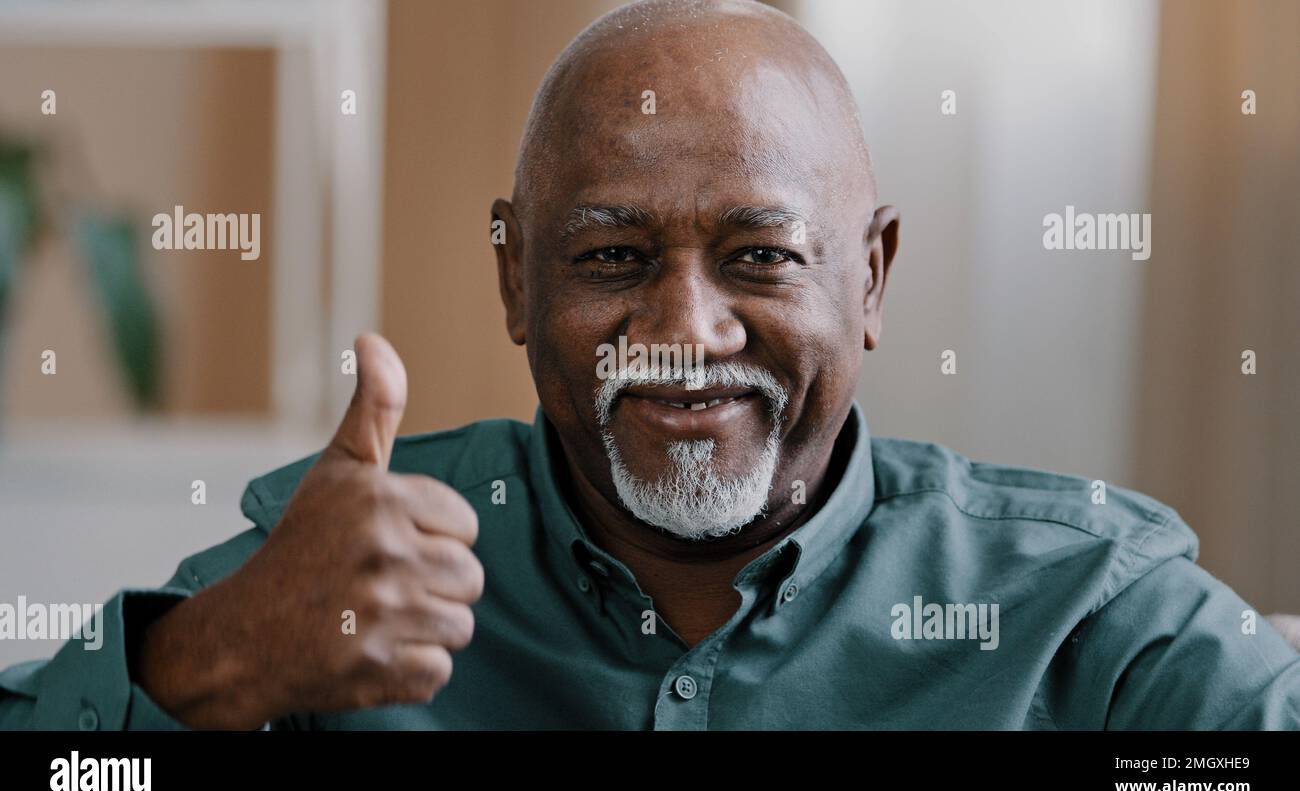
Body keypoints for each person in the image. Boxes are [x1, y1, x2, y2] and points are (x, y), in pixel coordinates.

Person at [3, 0, 1297, 730]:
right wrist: (193, 668)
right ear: (517, 278)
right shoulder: (333, 568)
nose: (687, 325)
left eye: (760, 255)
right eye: (614, 257)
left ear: (873, 277)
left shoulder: (1089, 616)